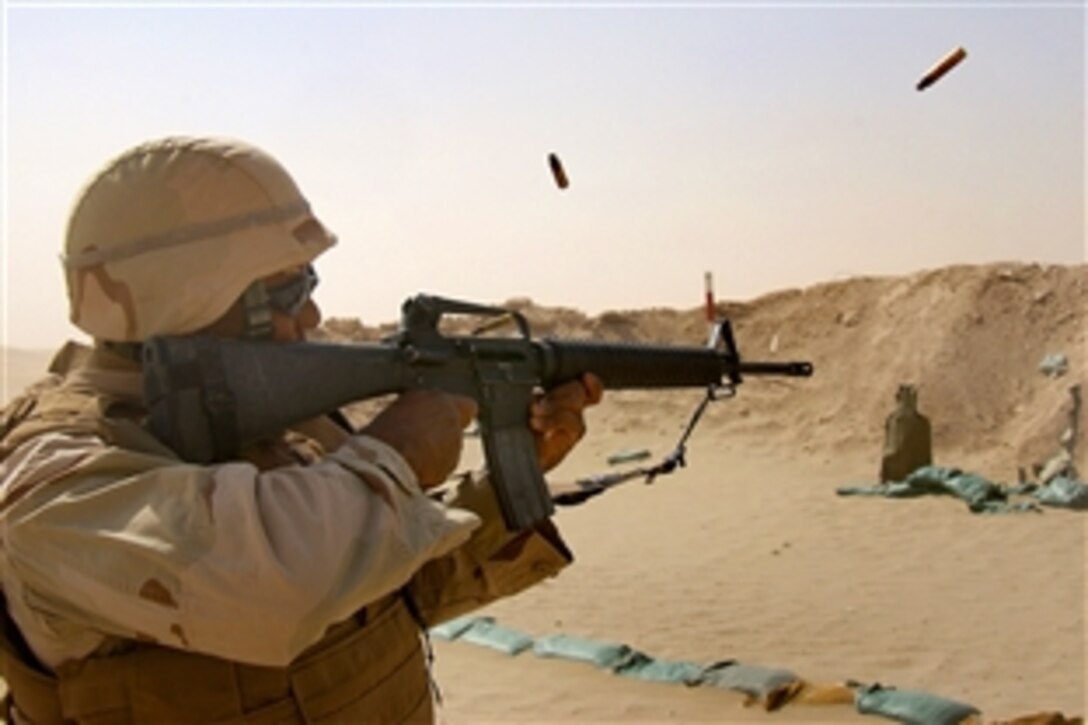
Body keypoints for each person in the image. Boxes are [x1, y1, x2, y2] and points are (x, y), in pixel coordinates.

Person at [0, 136, 603, 723]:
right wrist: (398, 454)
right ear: (187, 294)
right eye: (288, 289)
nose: (311, 313)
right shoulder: (52, 477)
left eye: (309, 283)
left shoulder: (278, 424)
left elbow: (380, 599)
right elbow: (273, 587)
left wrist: (506, 483)